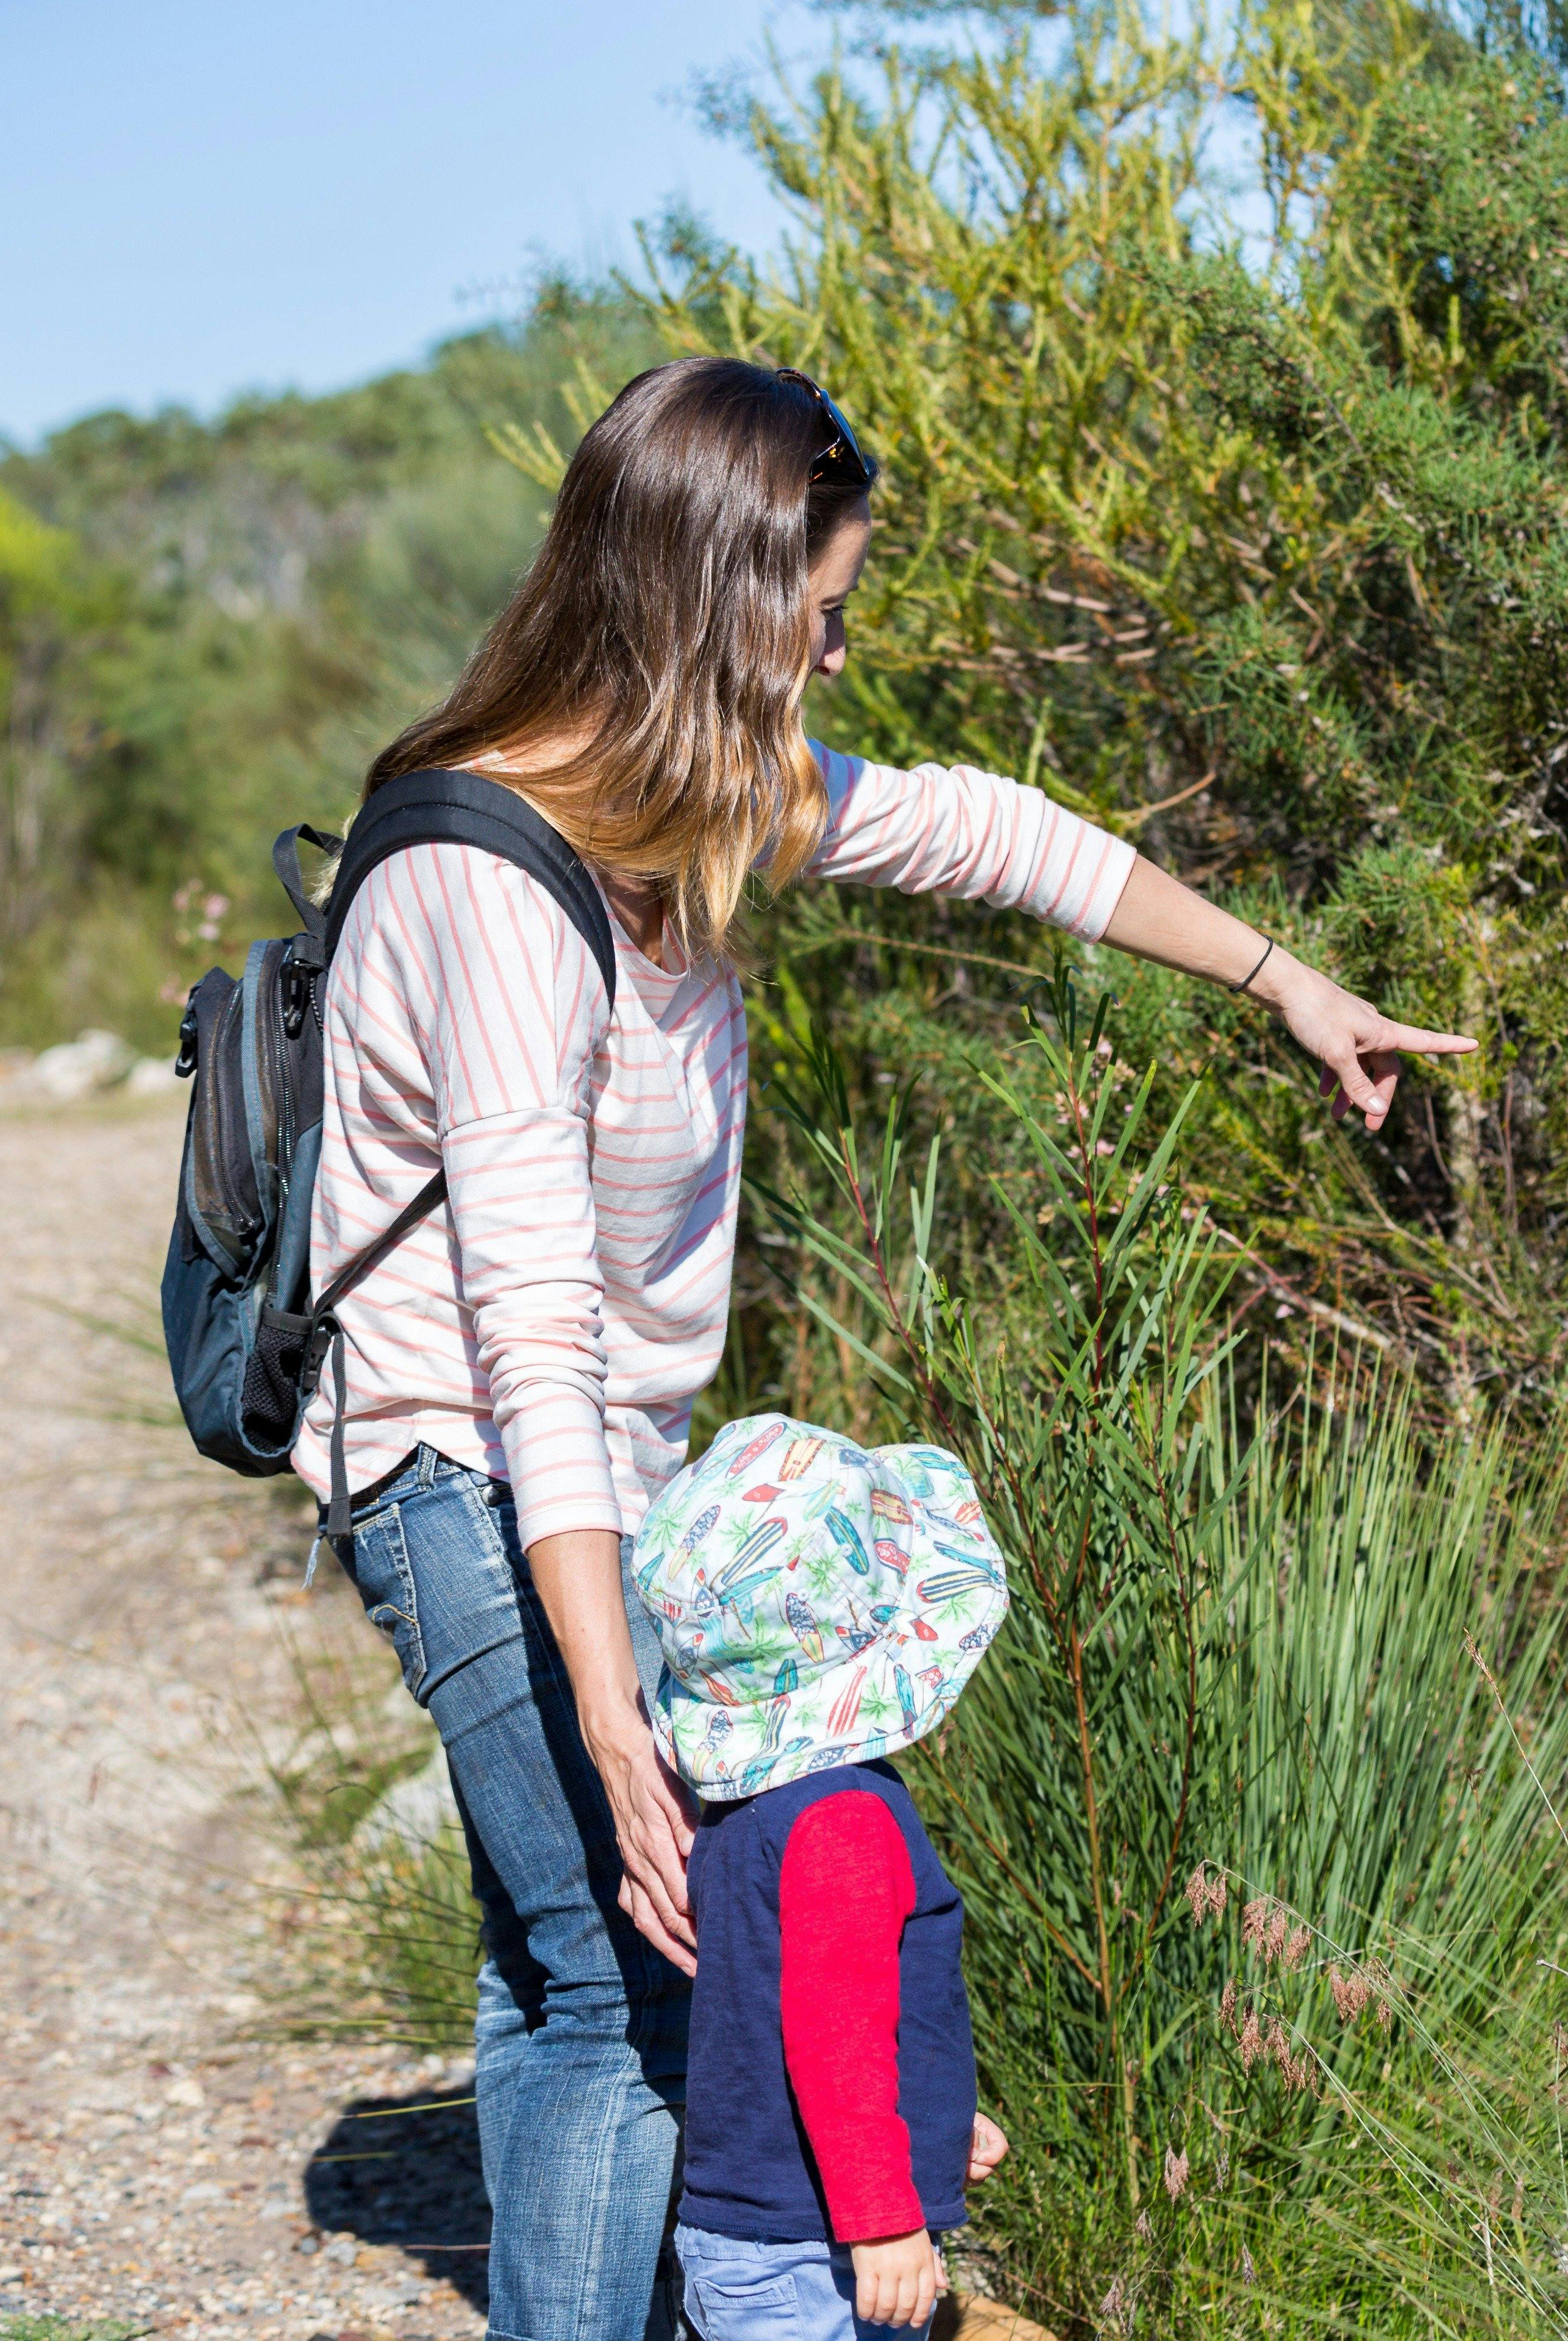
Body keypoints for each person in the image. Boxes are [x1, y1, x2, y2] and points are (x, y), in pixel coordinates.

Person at [307, 355, 1474, 2341]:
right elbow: (526, 1334)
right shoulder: (489, 884)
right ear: (717, 602)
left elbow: (990, 836)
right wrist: (612, 1698)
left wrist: (1288, 984)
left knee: (555, 1954)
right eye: (824, 616)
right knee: (620, 1974)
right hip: (457, 1450)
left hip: (602, 1454)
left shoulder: (699, 806)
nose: (839, 660)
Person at [636, 1414, 1014, 2341]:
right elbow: (833, 2035)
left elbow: (795, 2013)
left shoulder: (749, 1810)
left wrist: (937, 2118)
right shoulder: (844, 1817)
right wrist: (884, 2217)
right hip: (815, 2254)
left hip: (770, 2232)